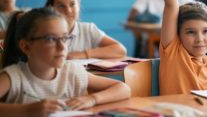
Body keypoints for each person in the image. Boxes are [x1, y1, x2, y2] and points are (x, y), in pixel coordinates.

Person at [0, 8, 130, 117]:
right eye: (51, 39)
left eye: (65, 38)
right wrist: (27, 111)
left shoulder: (72, 72)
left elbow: (123, 88)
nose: (62, 47)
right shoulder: (14, 77)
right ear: (26, 47)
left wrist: (92, 99)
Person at [45, 0, 127, 59]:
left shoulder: (88, 30)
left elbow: (120, 50)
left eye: (72, 4)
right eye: (61, 6)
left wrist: (83, 54)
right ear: (51, 8)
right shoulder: (44, 33)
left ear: (79, 5)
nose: (68, 11)